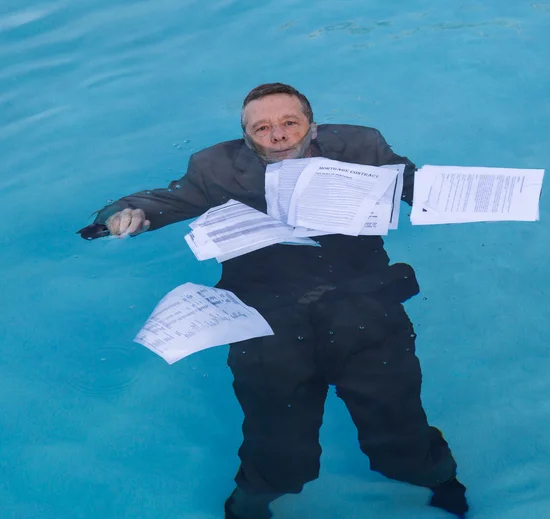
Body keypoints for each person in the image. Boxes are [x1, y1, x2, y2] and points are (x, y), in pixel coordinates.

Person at [78, 83, 469, 518]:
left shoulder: (361, 145)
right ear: (246, 137)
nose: (278, 135)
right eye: (262, 128)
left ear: (312, 126)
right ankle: (253, 500)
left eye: (289, 123)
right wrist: (119, 215)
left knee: (400, 427)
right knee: (275, 443)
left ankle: (435, 476)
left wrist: (467, 192)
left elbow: (414, 183)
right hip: (266, 319)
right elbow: (164, 201)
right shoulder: (214, 168)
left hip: (365, 308)